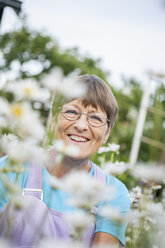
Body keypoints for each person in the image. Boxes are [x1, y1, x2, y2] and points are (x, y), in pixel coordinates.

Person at [0, 75, 130, 247]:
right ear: (53, 120)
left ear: (107, 133)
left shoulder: (113, 193)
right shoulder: (12, 167)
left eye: (96, 118)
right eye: (71, 112)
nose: (81, 125)